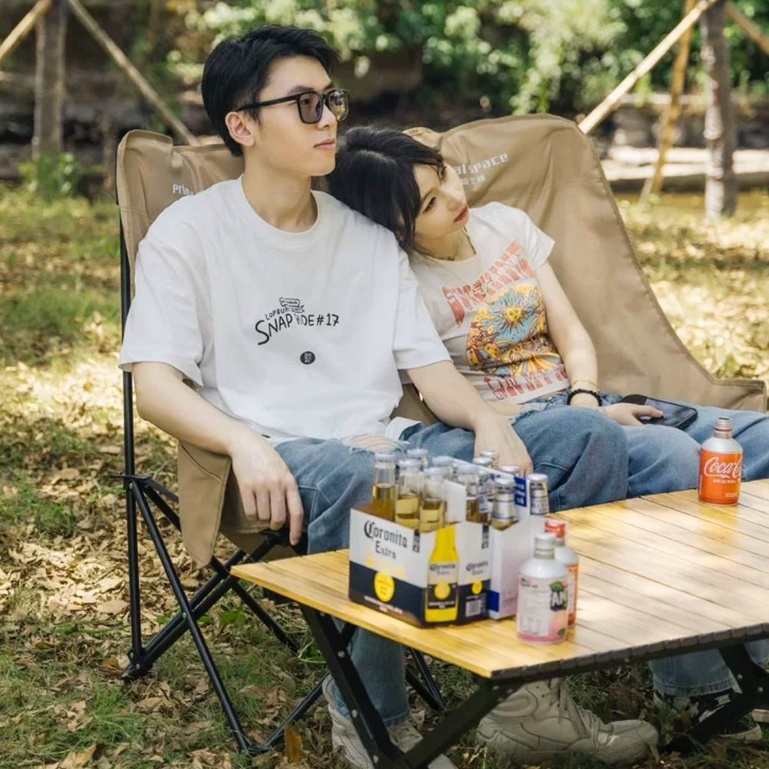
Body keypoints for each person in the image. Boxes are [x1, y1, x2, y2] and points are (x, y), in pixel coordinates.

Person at [119, 25, 659, 769]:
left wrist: (487, 422)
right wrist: (244, 442)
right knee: (384, 486)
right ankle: (376, 728)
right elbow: (153, 385)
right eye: (304, 105)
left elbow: (430, 373)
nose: (329, 120)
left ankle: (527, 699)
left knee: (584, 439)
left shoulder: (365, 237)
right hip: (276, 461)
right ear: (242, 126)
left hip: (395, 441)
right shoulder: (190, 233)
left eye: (330, 100)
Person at [325, 125, 769, 744]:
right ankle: (698, 689)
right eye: (428, 204)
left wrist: (588, 398)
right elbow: (438, 392)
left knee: (760, 440)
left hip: (588, 403)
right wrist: (583, 419)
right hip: (526, 429)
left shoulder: (505, 224)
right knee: (675, 456)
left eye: (444, 176)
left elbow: (570, 331)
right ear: (397, 227)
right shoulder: (401, 278)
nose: (453, 198)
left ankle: (755, 652)